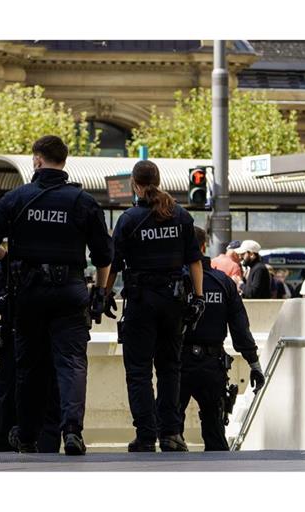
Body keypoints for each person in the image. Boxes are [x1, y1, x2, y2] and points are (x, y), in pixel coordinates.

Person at [0, 134, 112, 455]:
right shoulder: (83, 202)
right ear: (64, 161)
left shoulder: (17, 198)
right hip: (70, 293)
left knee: (29, 366)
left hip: (29, 294)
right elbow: (104, 256)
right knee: (72, 363)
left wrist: (9, 259)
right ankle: (73, 432)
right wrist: (102, 292)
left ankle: (25, 435)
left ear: (37, 161)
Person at [104, 160, 204, 452]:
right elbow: (194, 261)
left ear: (135, 184)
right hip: (174, 302)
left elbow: (113, 264)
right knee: (170, 369)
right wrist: (198, 298)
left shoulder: (128, 220)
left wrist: (104, 293)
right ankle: (171, 433)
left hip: (140, 302)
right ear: (157, 181)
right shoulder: (180, 216)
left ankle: (146, 435)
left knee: (138, 371)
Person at [174, 227, 265, 451]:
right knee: (215, 433)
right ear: (204, 247)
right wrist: (253, 363)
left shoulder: (173, 282)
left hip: (177, 364)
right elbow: (240, 329)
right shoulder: (223, 283)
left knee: (171, 433)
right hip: (212, 366)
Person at [0, 261, 61, 453]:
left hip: (14, 342)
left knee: (7, 401)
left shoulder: (6, 266)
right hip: (51, 343)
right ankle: (47, 456)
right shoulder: (61, 263)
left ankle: (5, 454)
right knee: (49, 404)